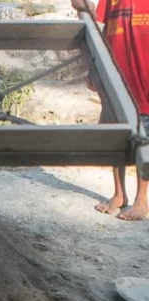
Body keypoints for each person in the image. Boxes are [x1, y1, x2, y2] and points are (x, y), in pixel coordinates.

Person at [72, 0, 148, 221]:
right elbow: (102, 27)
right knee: (114, 136)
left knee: (144, 137)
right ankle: (119, 194)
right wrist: (96, 65)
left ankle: (142, 200)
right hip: (116, 72)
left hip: (144, 71)